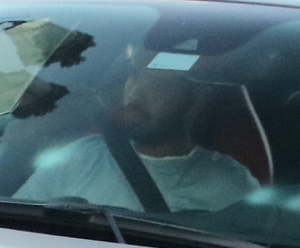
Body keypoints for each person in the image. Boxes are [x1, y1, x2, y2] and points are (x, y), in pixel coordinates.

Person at [18, 63, 256, 213]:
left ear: (198, 99)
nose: (135, 93)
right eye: (134, 77)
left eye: (158, 84)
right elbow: (20, 220)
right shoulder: (80, 156)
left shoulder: (230, 182)